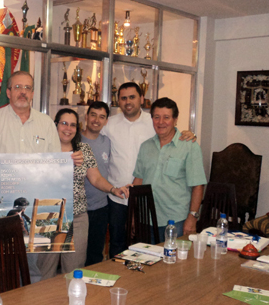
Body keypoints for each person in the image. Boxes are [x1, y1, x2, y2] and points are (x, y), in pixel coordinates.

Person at [0, 70, 81, 282]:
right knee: (4, 260)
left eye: (27, 88)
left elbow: (53, 163)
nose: (22, 92)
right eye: (17, 87)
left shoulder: (46, 123)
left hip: (37, 202)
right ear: (8, 92)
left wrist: (65, 163)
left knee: (33, 263)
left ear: (33, 93)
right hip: (2, 201)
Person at [101, 82, 195, 258]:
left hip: (148, 202)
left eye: (132, 97)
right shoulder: (109, 124)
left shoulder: (153, 122)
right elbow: (92, 138)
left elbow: (172, 134)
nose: (128, 101)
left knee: (143, 248)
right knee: (117, 243)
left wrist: (190, 134)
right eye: (123, 98)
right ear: (118, 101)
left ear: (141, 99)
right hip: (117, 197)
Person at [37, 108, 128, 279]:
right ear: (55, 125)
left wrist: (113, 189)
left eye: (73, 125)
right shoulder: (44, 149)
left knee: (74, 270)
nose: (68, 128)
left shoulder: (83, 149)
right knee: (45, 271)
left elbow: (96, 178)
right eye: (64, 123)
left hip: (78, 217)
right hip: (49, 216)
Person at [132, 97, 206, 241]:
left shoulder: (189, 146)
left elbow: (198, 185)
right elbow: (138, 180)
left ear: (175, 120)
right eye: (156, 117)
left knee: (174, 262)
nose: (161, 122)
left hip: (176, 221)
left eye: (166, 117)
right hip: (146, 219)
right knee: (147, 260)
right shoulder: (145, 147)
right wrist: (134, 214)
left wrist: (192, 217)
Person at [80, 101, 112, 266]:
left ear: (106, 121)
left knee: (95, 255)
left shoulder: (107, 142)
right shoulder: (74, 139)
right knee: (76, 257)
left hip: (100, 208)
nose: (96, 120)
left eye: (102, 117)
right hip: (78, 211)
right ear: (86, 116)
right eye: (93, 115)